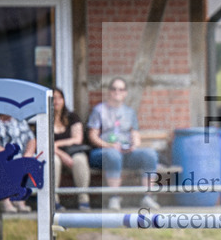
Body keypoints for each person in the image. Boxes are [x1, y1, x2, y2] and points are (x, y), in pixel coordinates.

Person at [87, 77, 159, 211]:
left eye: (120, 89)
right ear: (109, 91)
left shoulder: (129, 112)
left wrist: (134, 145)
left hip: (125, 152)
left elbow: (135, 133)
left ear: (125, 93)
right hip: (103, 153)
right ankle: (114, 197)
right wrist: (109, 146)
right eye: (114, 89)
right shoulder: (99, 110)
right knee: (113, 155)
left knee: (150, 154)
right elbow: (92, 136)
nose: (117, 92)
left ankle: (148, 197)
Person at [0, 111, 37, 212]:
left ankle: (19, 200)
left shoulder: (20, 119)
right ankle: (6, 201)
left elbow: (31, 139)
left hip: (20, 155)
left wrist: (28, 154)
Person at [52, 88, 90, 211]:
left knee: (80, 160)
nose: (56, 101)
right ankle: (54, 201)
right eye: (52, 98)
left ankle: (83, 199)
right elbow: (45, 144)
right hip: (54, 153)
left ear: (63, 100)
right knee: (54, 161)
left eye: (59, 97)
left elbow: (77, 139)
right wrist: (61, 153)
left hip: (73, 151)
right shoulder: (44, 119)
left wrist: (56, 144)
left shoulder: (72, 116)